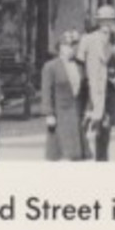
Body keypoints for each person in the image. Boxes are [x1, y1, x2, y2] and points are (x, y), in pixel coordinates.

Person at [81, 5, 115, 161]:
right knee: (87, 124)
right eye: (104, 21)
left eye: (111, 21)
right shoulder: (88, 39)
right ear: (99, 22)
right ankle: (83, 153)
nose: (108, 24)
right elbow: (80, 63)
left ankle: (102, 159)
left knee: (105, 127)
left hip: (110, 89)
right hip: (92, 89)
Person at [38, 31, 89, 162]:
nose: (71, 49)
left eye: (73, 46)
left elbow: (85, 90)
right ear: (60, 47)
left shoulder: (80, 66)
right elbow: (46, 91)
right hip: (60, 115)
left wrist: (88, 109)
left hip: (77, 114)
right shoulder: (51, 67)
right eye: (67, 46)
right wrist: (49, 114)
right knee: (61, 155)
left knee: (77, 154)